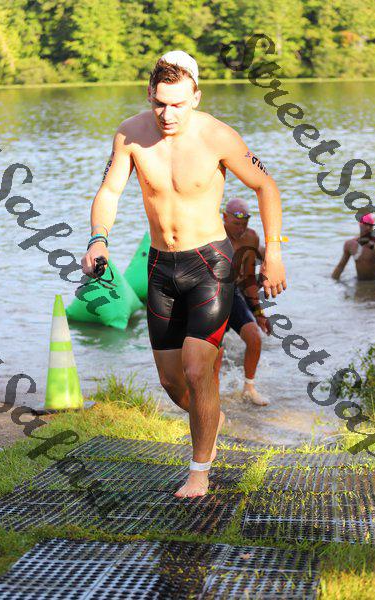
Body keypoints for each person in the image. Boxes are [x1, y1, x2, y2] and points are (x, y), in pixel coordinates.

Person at [81, 50, 287, 498]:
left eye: (177, 104)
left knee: (197, 370)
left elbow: (265, 186)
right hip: (160, 267)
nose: (168, 114)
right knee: (173, 383)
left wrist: (273, 252)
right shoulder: (130, 134)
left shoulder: (218, 136)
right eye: (160, 103)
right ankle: (211, 419)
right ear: (149, 95)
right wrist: (98, 239)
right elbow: (110, 190)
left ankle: (199, 471)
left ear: (195, 97)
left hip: (210, 264)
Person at [213, 197, 272, 406]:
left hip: (234, 294)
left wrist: (259, 313)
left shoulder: (251, 238)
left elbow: (248, 278)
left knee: (254, 338)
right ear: (224, 217)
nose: (240, 229)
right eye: (236, 223)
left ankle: (249, 388)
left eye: (244, 224)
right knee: (216, 350)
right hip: (210, 296)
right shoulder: (213, 235)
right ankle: (212, 396)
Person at [332, 214, 375, 281]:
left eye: (370, 225)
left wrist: (372, 246)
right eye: (365, 224)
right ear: (360, 225)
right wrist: (332, 282)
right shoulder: (350, 244)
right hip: (359, 280)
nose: (368, 227)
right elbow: (341, 266)